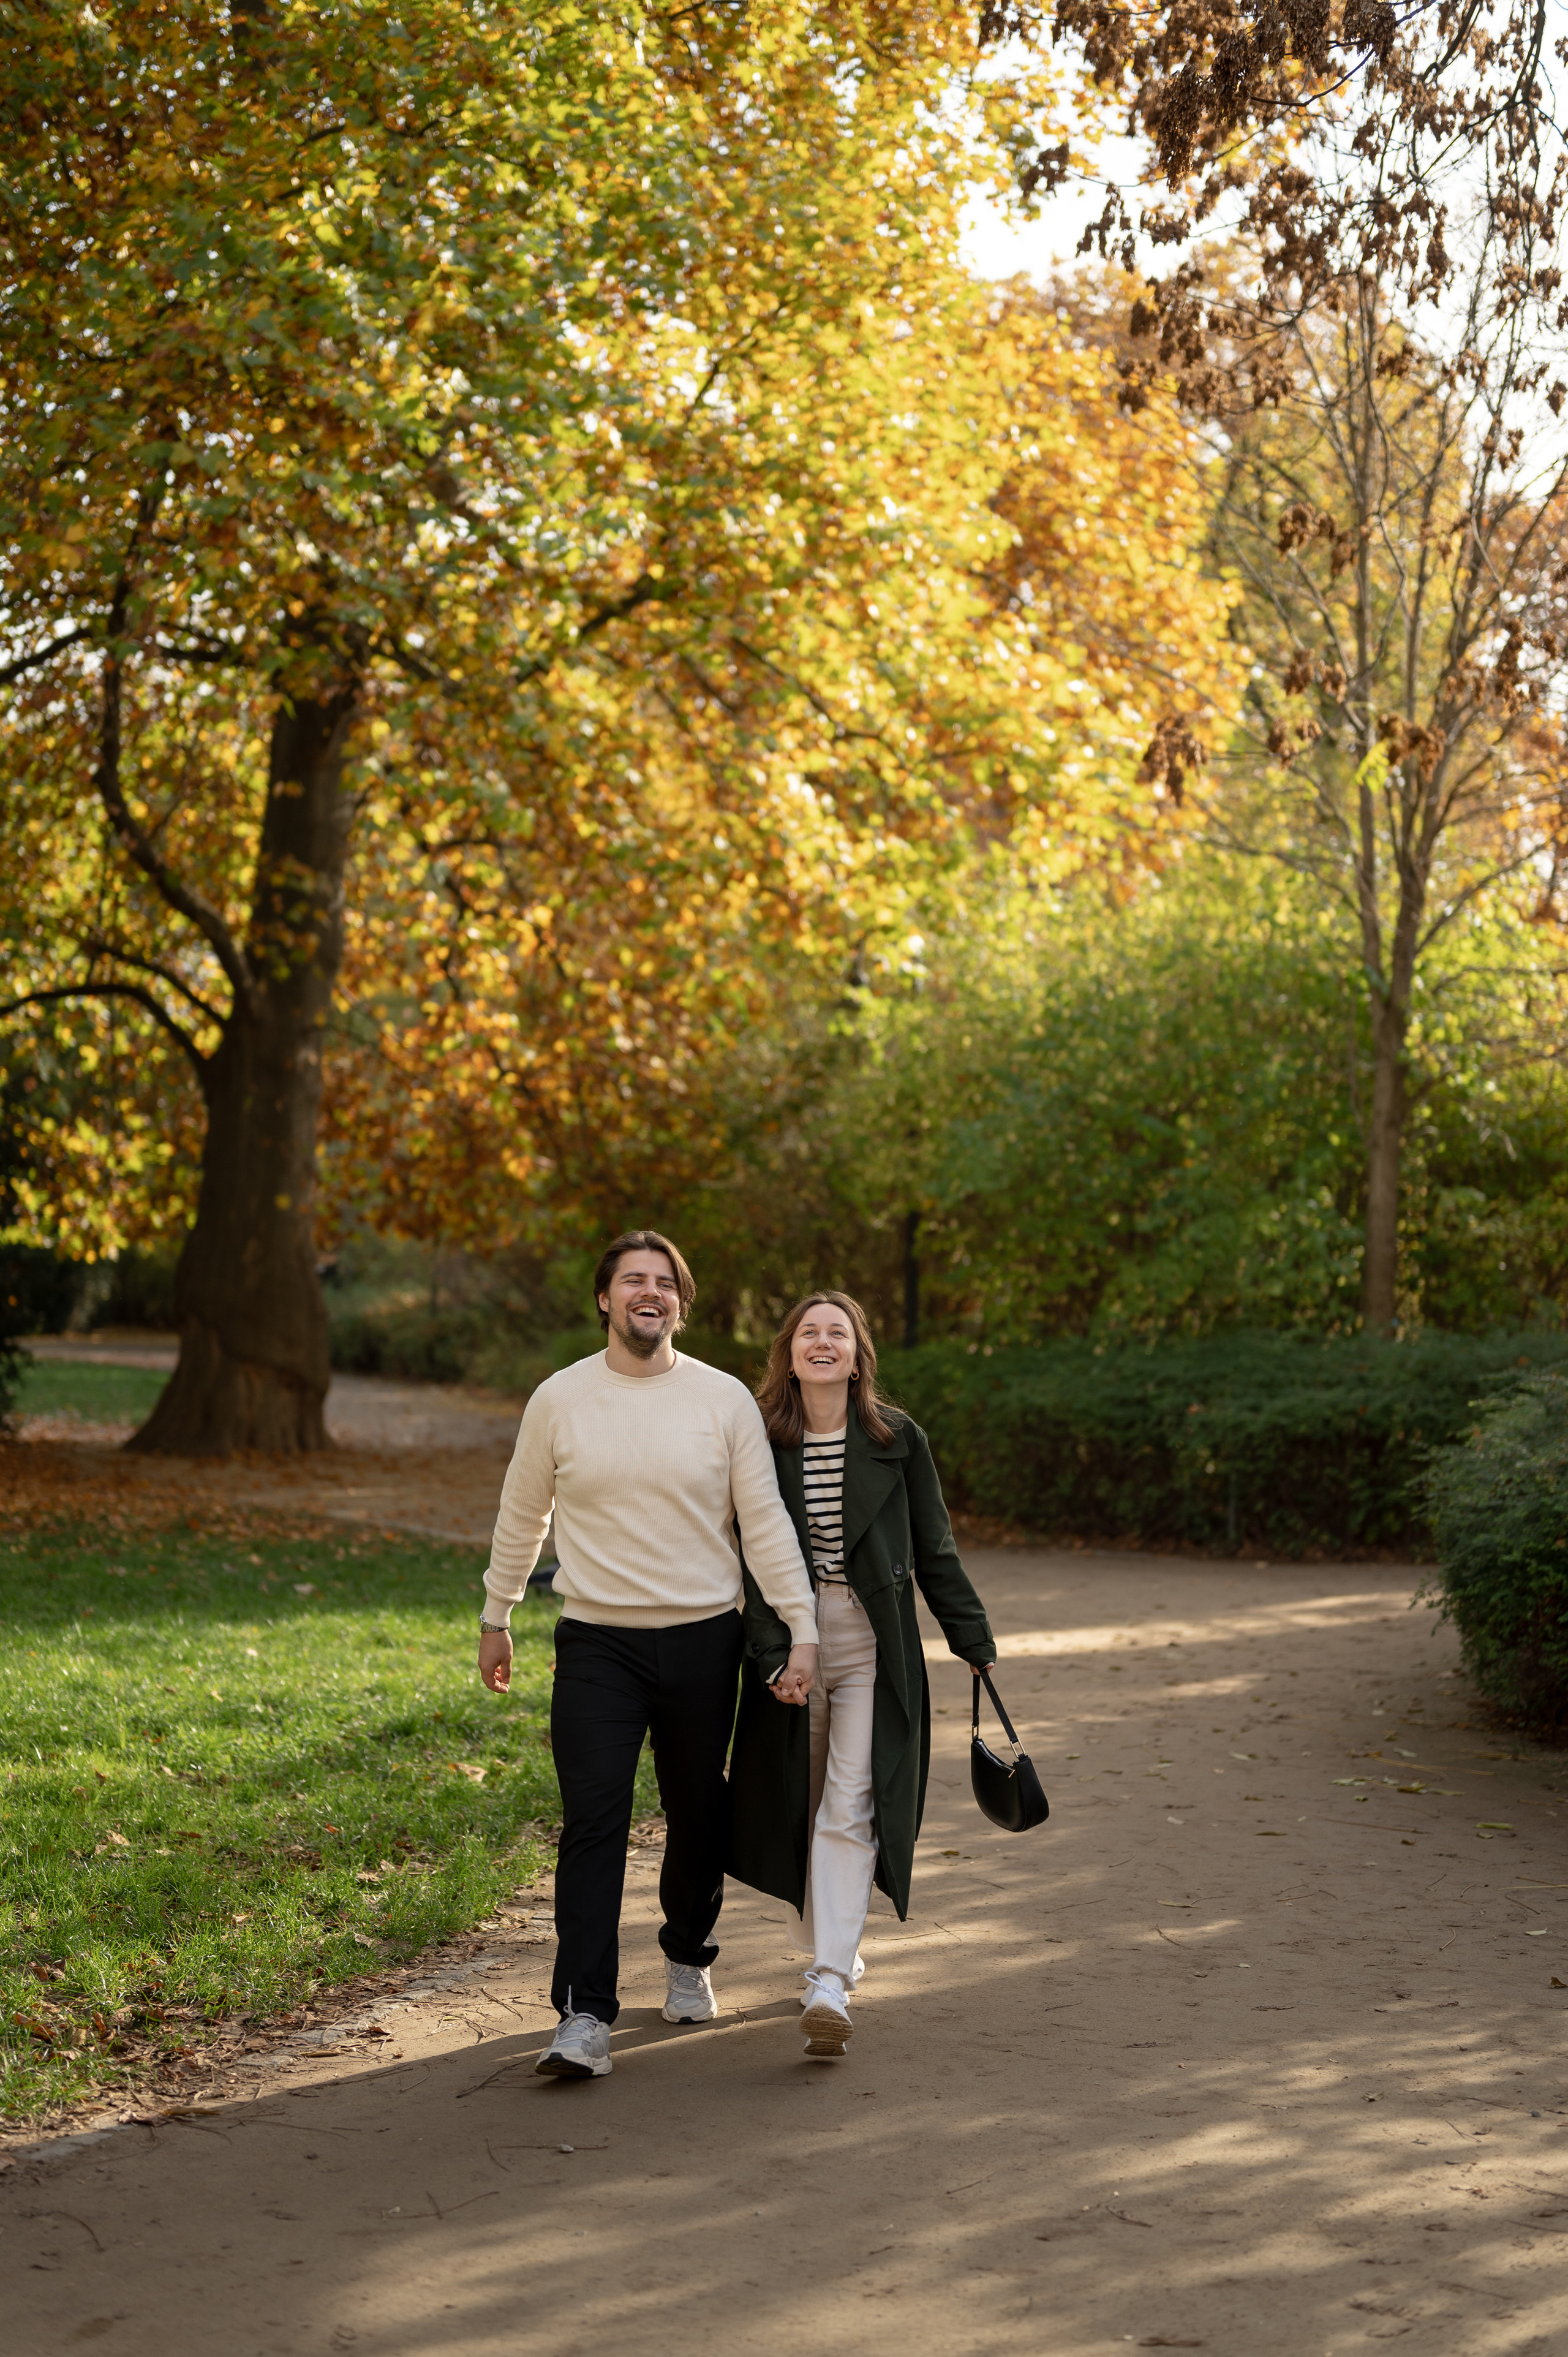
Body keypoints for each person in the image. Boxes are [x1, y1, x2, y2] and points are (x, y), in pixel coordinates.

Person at [477, 1230, 819, 2080]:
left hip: (704, 1637)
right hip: (597, 1642)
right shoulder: (560, 1398)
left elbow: (764, 1523)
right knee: (594, 1819)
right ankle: (584, 2012)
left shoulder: (722, 1398)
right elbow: (523, 1511)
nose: (649, 1291)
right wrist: (497, 1612)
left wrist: (801, 1625)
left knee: (699, 1812)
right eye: (634, 1278)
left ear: (680, 1302)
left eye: (665, 1281)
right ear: (605, 1298)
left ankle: (687, 1953)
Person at [728, 1291, 995, 2058]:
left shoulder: (896, 1438)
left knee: (849, 1803)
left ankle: (828, 1980)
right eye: (808, 1331)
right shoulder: (758, 1437)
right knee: (800, 1798)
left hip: (873, 1638)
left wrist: (970, 1633)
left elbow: (934, 1545)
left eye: (837, 1332)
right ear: (788, 1354)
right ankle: (828, 1943)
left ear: (856, 1356)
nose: (822, 1342)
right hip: (791, 1636)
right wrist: (770, 1650)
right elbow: (743, 1554)